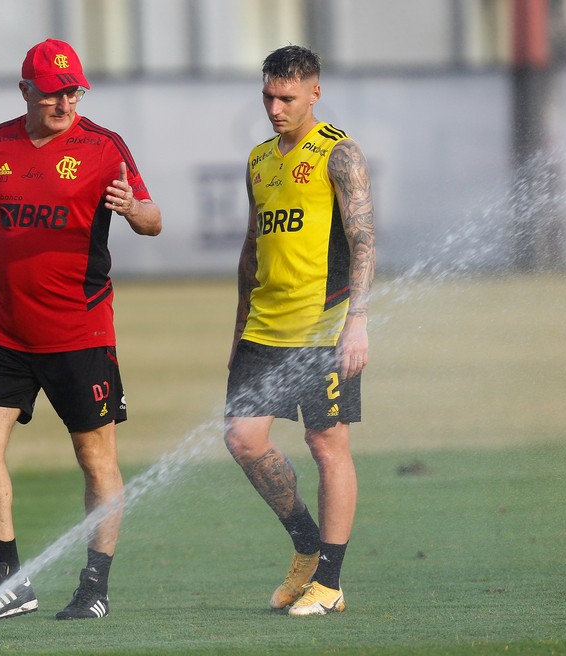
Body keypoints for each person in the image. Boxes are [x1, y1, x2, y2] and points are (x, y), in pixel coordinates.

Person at [0, 38, 162, 623]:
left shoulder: (102, 146)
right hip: (8, 331)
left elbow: (153, 219)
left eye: (73, 90)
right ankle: (10, 580)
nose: (65, 101)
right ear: (26, 91)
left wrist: (133, 210)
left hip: (82, 333)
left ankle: (94, 585)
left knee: (95, 459)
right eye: (53, 92)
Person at [224, 45, 376, 616]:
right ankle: (307, 547)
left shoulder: (339, 153)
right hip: (264, 327)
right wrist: (238, 327)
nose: (275, 107)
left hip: (325, 326)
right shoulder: (258, 160)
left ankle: (330, 583)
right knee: (243, 438)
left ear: (314, 92)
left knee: (326, 445)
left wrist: (358, 321)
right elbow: (251, 247)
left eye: (287, 97)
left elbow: (364, 240)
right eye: (268, 96)